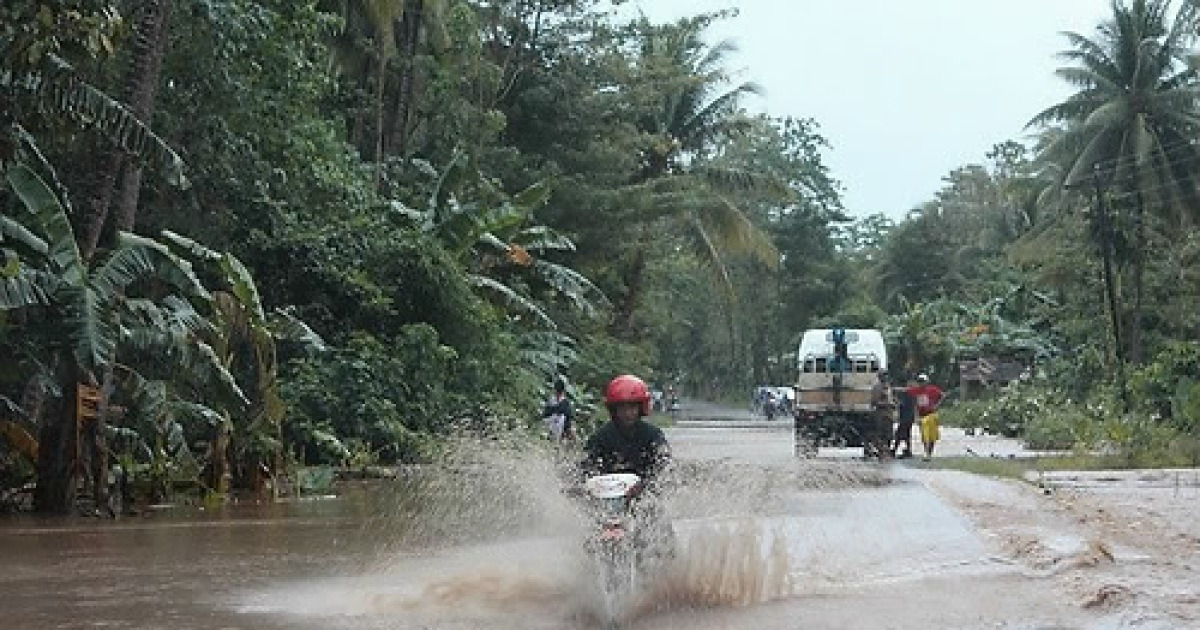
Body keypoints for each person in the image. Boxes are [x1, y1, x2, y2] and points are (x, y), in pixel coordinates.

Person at [582, 374, 675, 557]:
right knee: (590, 532)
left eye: (632, 407)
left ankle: (663, 568)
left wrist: (647, 484)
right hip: (608, 501)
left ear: (640, 408)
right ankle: (593, 563)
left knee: (663, 534)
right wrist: (583, 484)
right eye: (622, 407)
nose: (627, 412)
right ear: (614, 410)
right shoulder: (601, 437)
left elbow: (663, 464)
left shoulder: (653, 435)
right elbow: (586, 465)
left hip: (642, 496)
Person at [908, 373, 944, 461]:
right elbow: (908, 393)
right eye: (920, 381)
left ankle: (929, 453)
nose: (921, 383)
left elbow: (942, 395)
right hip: (922, 416)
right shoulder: (916, 390)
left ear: (926, 382)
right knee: (924, 435)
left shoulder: (932, 389)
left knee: (932, 436)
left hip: (932, 414)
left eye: (923, 381)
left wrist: (937, 405)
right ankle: (926, 452)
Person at [868, 370, 893, 459]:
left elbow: (890, 399)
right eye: (883, 375)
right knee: (881, 434)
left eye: (886, 375)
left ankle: (886, 451)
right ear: (879, 377)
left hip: (889, 414)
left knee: (889, 435)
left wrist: (893, 404)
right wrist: (887, 404)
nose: (885, 377)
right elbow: (874, 402)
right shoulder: (877, 388)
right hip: (881, 414)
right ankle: (882, 452)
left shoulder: (888, 387)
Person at [541, 377, 574, 442]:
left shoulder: (566, 403)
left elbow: (568, 420)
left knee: (561, 418)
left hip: (559, 427)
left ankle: (555, 437)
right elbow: (545, 414)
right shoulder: (552, 400)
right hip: (549, 424)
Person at [891, 376, 917, 458]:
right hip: (909, 417)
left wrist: (896, 402)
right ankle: (908, 450)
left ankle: (895, 450)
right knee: (906, 435)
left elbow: (902, 403)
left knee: (899, 434)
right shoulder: (911, 392)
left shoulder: (909, 393)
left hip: (906, 417)